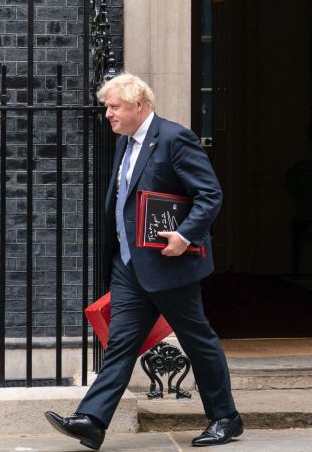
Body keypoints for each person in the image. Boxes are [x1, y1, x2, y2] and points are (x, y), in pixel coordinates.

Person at [46, 73, 242, 450]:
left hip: (169, 263)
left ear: (140, 105)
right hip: (128, 264)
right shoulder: (125, 143)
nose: (108, 114)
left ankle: (225, 418)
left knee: (197, 340)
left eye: (114, 107)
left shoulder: (174, 138)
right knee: (120, 342)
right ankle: (92, 420)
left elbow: (209, 194)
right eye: (107, 107)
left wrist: (184, 237)